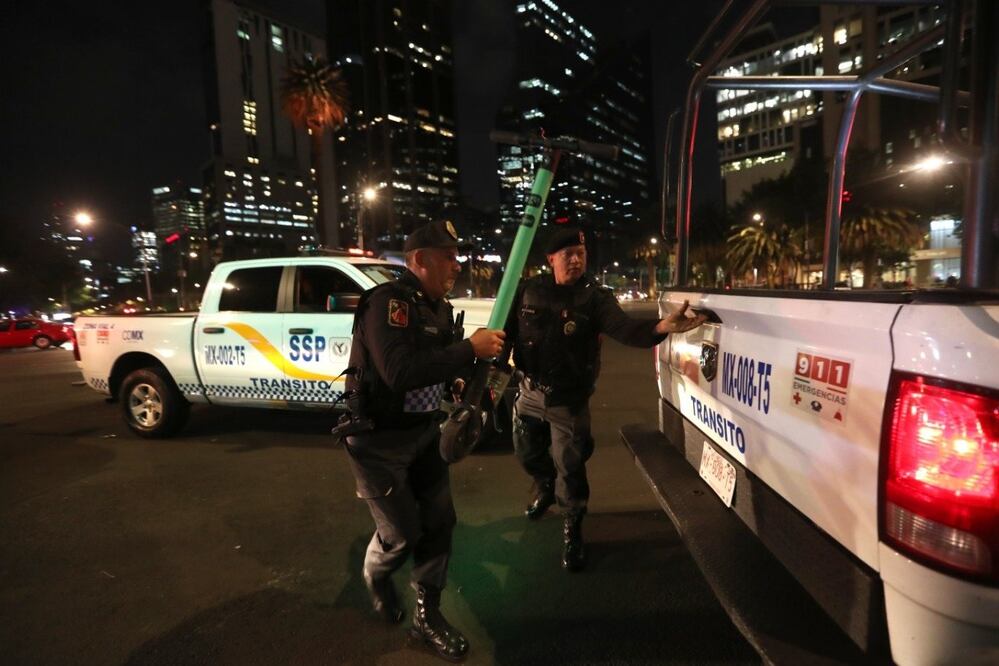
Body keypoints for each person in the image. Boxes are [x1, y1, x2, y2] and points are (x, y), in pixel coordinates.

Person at [341, 218, 505, 661]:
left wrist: (456, 382)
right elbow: (398, 373)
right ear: (419, 260)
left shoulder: (438, 307)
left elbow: (432, 366)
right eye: (448, 256)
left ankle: (426, 619)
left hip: (422, 433)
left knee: (439, 523)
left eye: (457, 255)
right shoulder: (388, 303)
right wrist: (470, 349)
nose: (457, 264)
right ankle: (377, 573)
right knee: (402, 534)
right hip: (377, 442)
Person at [502, 227, 707, 572]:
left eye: (580, 253)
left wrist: (660, 328)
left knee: (570, 465)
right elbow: (505, 335)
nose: (576, 259)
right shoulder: (528, 291)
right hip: (529, 391)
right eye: (568, 253)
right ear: (551, 259)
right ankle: (544, 482)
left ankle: (573, 525)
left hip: (569, 399)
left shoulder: (595, 297)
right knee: (526, 451)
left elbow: (624, 329)